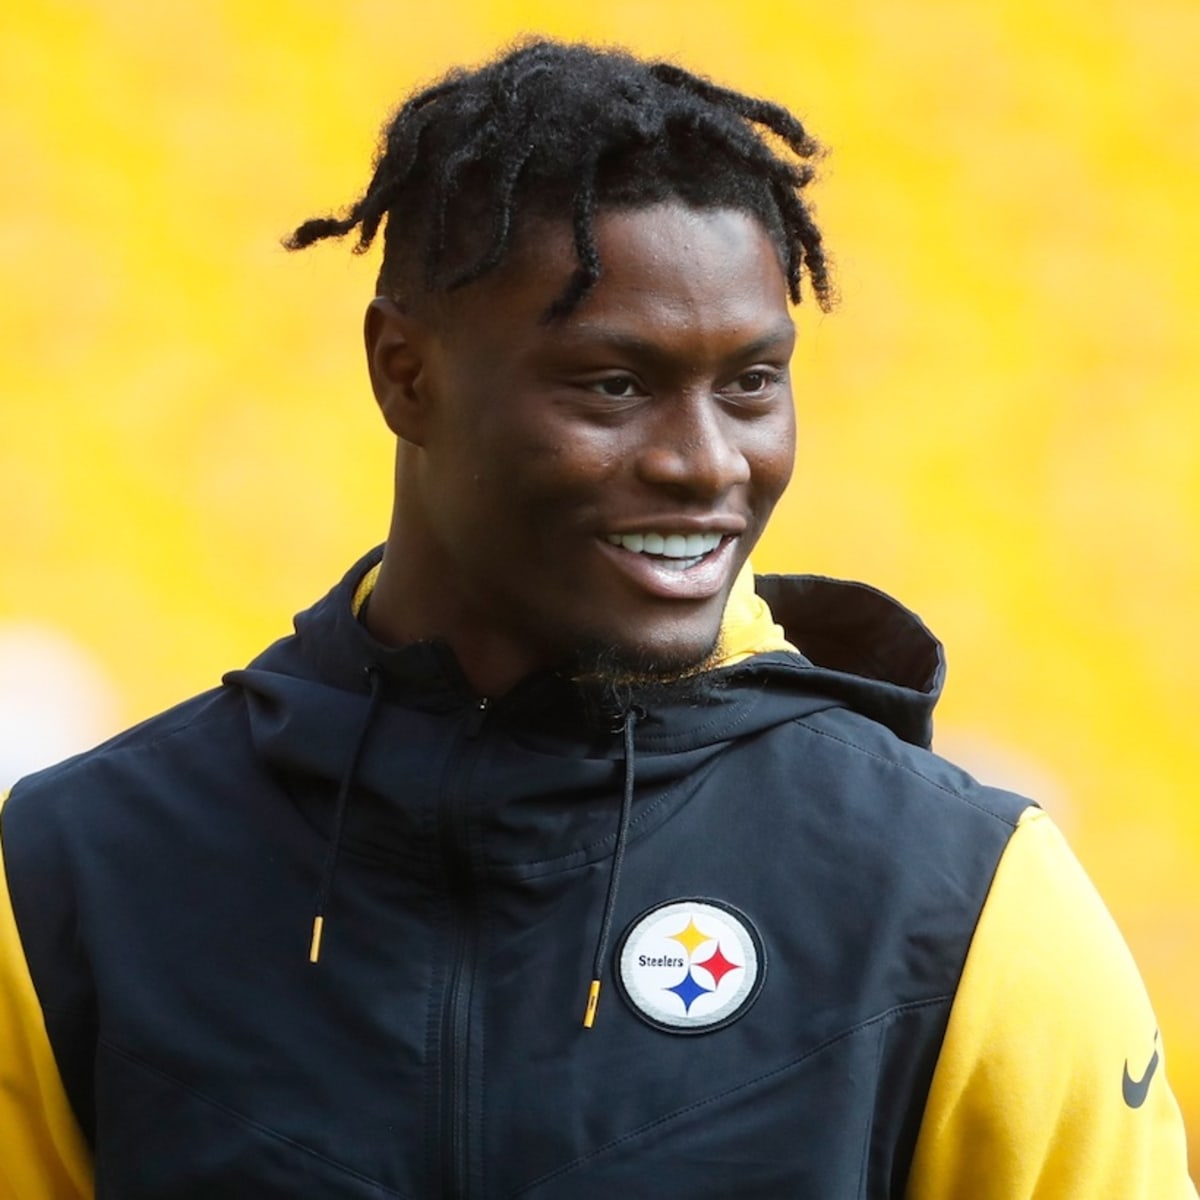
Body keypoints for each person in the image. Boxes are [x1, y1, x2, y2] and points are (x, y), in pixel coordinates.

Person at [0, 38, 1194, 1199]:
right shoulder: (73, 877)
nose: (706, 464)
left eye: (751, 384)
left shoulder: (963, 896)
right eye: (616, 385)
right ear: (402, 372)